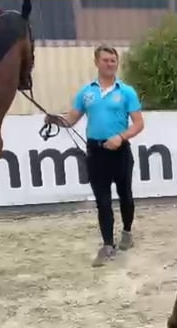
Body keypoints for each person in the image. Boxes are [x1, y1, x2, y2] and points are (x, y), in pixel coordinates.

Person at [45, 44, 145, 267]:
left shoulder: (126, 91)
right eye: (105, 60)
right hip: (95, 152)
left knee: (125, 196)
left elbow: (138, 124)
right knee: (102, 200)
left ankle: (127, 232)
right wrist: (54, 119)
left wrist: (120, 137)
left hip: (120, 152)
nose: (110, 64)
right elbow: (71, 120)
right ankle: (108, 245)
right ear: (96, 62)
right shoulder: (86, 92)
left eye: (113, 60)